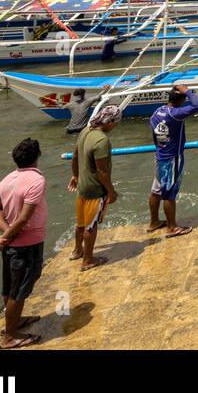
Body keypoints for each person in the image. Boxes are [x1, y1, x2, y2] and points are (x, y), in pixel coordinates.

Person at [0, 138, 48, 348]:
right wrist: (7, 236)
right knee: (19, 290)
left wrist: (5, 234)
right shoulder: (36, 180)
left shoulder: (6, 180)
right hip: (27, 244)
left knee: (9, 287)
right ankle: (9, 337)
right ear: (37, 156)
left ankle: (15, 321)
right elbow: (23, 218)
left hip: (12, 244)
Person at [147, 83, 198, 237]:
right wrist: (187, 91)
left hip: (160, 156)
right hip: (172, 158)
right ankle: (172, 227)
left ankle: (154, 222)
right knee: (169, 194)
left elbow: (153, 132)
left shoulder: (157, 112)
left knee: (156, 190)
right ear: (180, 101)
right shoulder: (176, 114)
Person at [70, 105, 120, 270]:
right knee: (91, 225)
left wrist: (75, 176)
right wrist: (111, 192)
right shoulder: (102, 140)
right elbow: (102, 171)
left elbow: (75, 156)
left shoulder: (85, 131)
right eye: (115, 123)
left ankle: (77, 251)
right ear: (110, 121)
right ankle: (88, 260)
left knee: (81, 223)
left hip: (82, 187)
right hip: (95, 190)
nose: (115, 127)